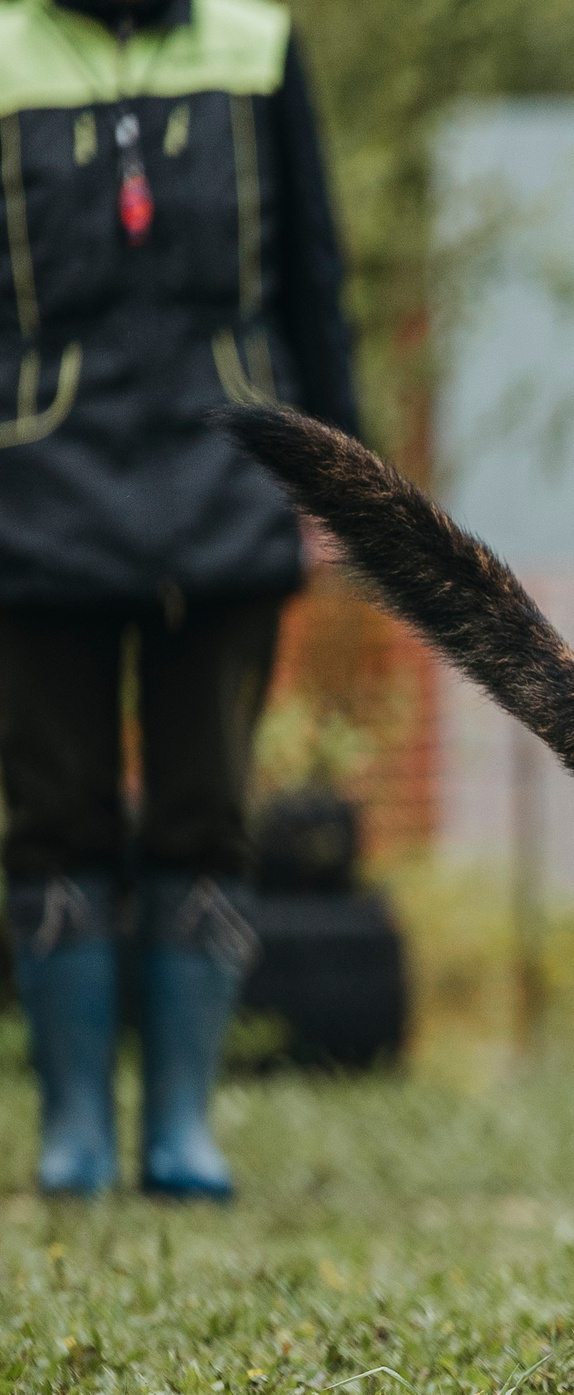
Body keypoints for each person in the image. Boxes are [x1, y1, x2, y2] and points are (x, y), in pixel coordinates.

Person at [0, 0, 361, 1197]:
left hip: (231, 486)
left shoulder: (255, 41)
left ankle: (180, 1133)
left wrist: (340, 480)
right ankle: (75, 1134)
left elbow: (313, 273)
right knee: (54, 817)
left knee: (205, 812)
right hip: (33, 491)